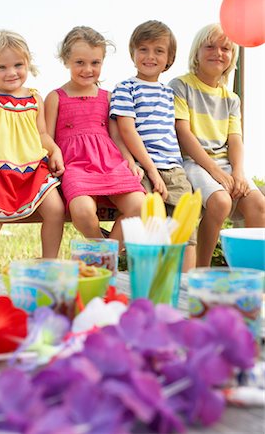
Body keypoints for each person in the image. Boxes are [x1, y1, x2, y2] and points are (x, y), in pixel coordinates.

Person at [0, 30, 66, 273]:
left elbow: (41, 134)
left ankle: (49, 264)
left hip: (32, 167)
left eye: (18, 65)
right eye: (2, 67)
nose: (11, 72)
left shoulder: (35, 98)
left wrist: (55, 150)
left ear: (28, 63)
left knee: (55, 210)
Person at [169, 23, 265, 267]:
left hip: (224, 164)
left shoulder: (231, 98)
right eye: (210, 46)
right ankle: (202, 269)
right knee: (220, 201)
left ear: (232, 56)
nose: (218, 53)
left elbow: (235, 139)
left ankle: (251, 273)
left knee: (258, 204)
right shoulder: (181, 86)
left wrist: (239, 173)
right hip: (194, 161)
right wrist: (216, 171)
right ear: (196, 53)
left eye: (226, 48)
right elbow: (183, 132)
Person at [44, 26, 145, 250]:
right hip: (75, 166)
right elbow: (45, 136)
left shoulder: (108, 97)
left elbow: (117, 136)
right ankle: (105, 255)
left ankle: (105, 258)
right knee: (82, 212)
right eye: (80, 62)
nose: (88, 69)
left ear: (102, 61)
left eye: (95, 63)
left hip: (110, 164)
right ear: (66, 60)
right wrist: (55, 151)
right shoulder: (55, 97)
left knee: (139, 205)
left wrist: (129, 160)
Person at [110, 20, 196, 271]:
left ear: (169, 58)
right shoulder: (126, 88)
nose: (150, 56)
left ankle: (187, 285)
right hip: (143, 166)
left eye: (159, 50)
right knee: (150, 228)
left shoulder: (169, 93)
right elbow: (126, 130)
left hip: (174, 169)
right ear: (133, 53)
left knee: (186, 228)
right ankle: (147, 282)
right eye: (143, 49)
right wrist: (151, 170)